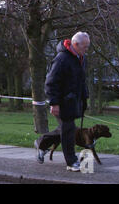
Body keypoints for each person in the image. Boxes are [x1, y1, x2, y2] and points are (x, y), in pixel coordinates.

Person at [34, 32, 90, 172]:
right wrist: (54, 103)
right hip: (62, 102)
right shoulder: (62, 59)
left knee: (65, 129)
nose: (87, 49)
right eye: (85, 46)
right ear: (75, 44)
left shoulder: (81, 58)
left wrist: (84, 98)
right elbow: (51, 83)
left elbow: (81, 81)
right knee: (69, 130)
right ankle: (71, 162)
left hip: (74, 102)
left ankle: (41, 143)